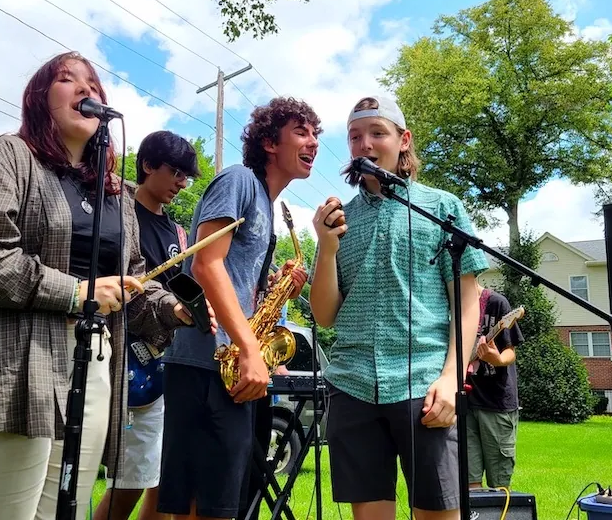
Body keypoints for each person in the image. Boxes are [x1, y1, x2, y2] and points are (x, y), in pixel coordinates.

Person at [0, 51, 215, 520]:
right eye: (66, 79)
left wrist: (172, 311)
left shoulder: (115, 194)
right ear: (40, 100)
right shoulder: (10, 155)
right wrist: (76, 293)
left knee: (68, 512)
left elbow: (134, 280)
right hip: (10, 364)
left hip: (95, 365)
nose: (86, 90)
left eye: (94, 85)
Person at [309, 95, 489, 520]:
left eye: (377, 133)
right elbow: (324, 315)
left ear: (403, 140)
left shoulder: (443, 208)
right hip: (352, 386)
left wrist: (451, 377)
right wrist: (326, 247)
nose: (364, 145)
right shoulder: (339, 220)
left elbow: (468, 303)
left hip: (424, 385)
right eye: (355, 137)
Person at [157, 97, 317, 520]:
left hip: (235, 367)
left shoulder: (265, 200)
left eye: (315, 133)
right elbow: (205, 265)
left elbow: (237, 283)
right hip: (206, 362)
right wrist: (249, 349)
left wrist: (277, 291)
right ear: (268, 141)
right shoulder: (239, 180)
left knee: (224, 504)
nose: (314, 142)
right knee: (197, 506)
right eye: (301, 132)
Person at [93, 130, 202, 520]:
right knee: (130, 479)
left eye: (186, 176)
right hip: (125, 356)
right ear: (147, 165)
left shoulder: (177, 232)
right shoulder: (116, 215)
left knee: (163, 477)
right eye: (175, 172)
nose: (181, 183)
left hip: (168, 361)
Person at [466, 281, 523, 490]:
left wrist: (496, 359)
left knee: (499, 485)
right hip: (466, 403)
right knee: (469, 480)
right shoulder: (455, 306)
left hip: (496, 404)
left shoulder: (497, 303)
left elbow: (510, 352)